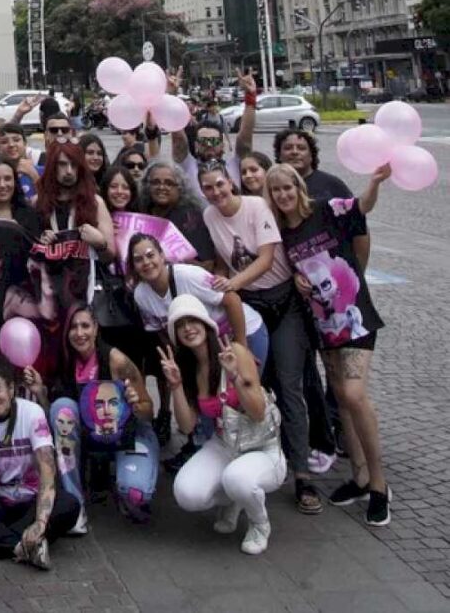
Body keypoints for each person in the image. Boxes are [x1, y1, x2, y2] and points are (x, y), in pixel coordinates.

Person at [265, 163, 390, 525]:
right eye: (277, 191)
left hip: (355, 316)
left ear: (298, 187)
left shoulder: (325, 209)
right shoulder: (282, 233)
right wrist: (300, 284)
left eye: (288, 188)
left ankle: (380, 486)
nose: (284, 195)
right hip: (322, 325)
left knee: (352, 395)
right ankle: (361, 478)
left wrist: (375, 182)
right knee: (340, 396)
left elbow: (362, 207)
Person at [198, 163, 320, 514]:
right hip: (250, 306)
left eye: (220, 184)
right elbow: (225, 261)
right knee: (248, 381)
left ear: (230, 182)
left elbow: (266, 260)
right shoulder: (209, 215)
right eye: (208, 188)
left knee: (289, 383)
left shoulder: (256, 206)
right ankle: (250, 462)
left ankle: (302, 474)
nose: (216, 192)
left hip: (283, 300)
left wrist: (233, 283)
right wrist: (222, 281)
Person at [164, 295, 286, 555]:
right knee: (187, 494)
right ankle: (236, 498)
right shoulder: (188, 369)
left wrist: (234, 377)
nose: (188, 328)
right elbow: (187, 427)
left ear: (207, 324)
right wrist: (175, 386)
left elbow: (257, 411)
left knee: (237, 478)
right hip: (225, 443)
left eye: (193, 320)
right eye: (181, 324)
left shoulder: (235, 352)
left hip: (262, 447)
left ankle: (259, 524)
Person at [0, 355, 80, 566]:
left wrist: (40, 521)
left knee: (70, 504)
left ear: (11, 389)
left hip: (30, 503)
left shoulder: (31, 413)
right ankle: (24, 546)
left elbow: (48, 474)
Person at [34, 303, 158, 525]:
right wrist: (40, 394)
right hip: (91, 433)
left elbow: (149, 412)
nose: (79, 333)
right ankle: (75, 506)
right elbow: (58, 417)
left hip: (129, 433)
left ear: (96, 328)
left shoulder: (117, 361)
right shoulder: (65, 362)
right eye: (73, 327)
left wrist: (134, 404)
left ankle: (124, 490)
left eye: (85, 326)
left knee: (134, 493)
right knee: (62, 406)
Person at [127, 233, 268, 366]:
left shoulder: (188, 275)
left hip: (244, 332)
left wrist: (241, 349)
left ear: (162, 256)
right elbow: (161, 332)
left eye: (150, 255)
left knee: (248, 388)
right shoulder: (141, 295)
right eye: (138, 259)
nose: (146, 262)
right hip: (210, 346)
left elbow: (232, 300)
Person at [273, 131, 369, 270]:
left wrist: (359, 269)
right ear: (279, 155)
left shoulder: (332, 185)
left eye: (301, 148)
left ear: (311, 155)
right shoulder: (273, 188)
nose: (294, 152)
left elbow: (359, 229)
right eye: (288, 148)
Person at [171, 68, 257, 194]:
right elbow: (178, 139)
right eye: (203, 141)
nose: (208, 145)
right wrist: (171, 98)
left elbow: (245, 138)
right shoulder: (188, 166)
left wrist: (250, 98)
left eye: (213, 141)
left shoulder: (236, 166)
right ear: (195, 145)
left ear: (222, 145)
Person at [35, 141, 114, 255]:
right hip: (50, 270)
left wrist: (100, 244)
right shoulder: (38, 202)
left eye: (74, 165)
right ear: (53, 167)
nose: (69, 171)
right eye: (62, 164)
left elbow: (111, 255)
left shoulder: (95, 202)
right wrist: (40, 245)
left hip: (89, 271)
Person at [139, 161, 216, 268]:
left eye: (169, 183)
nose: (161, 187)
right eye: (156, 182)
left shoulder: (192, 217)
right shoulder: (141, 213)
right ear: (147, 186)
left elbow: (208, 265)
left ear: (180, 188)